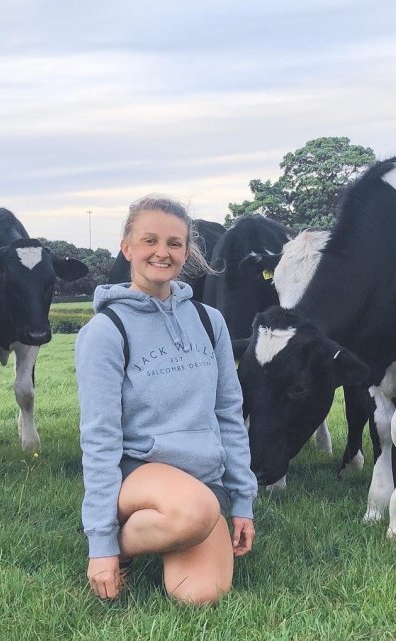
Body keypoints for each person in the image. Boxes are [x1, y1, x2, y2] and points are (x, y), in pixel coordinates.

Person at [75, 195, 258, 605]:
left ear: (187, 251)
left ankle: (175, 525)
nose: (162, 252)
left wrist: (242, 500)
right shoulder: (106, 330)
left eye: (175, 243)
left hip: (203, 480)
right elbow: (100, 437)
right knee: (193, 511)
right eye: (150, 240)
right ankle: (118, 542)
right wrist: (100, 544)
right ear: (127, 248)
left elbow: (228, 414)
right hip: (140, 471)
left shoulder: (211, 322)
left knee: (200, 596)